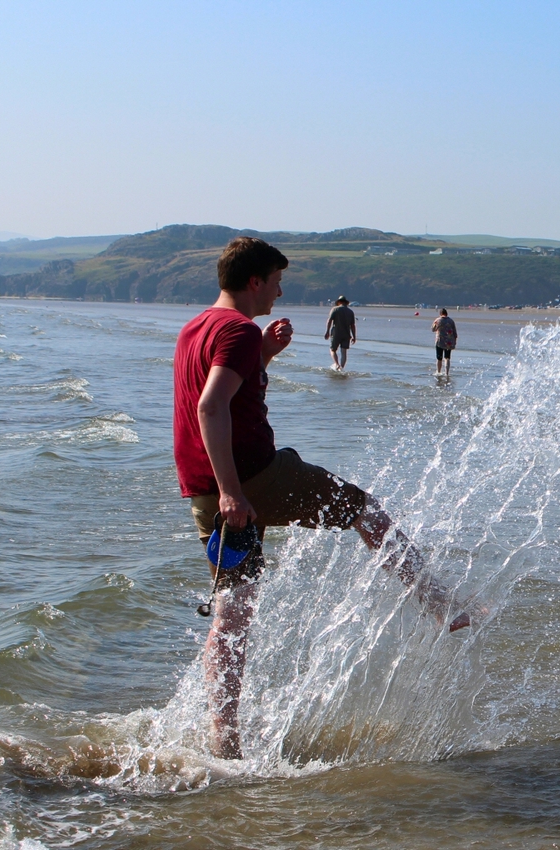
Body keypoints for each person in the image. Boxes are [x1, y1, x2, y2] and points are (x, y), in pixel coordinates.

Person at [173, 236, 467, 760]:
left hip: (201, 488)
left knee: (231, 613)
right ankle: (440, 605)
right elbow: (211, 407)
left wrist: (264, 355)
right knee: (362, 508)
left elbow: (218, 396)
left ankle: (225, 738)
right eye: (278, 281)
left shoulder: (197, 327)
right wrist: (234, 491)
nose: (281, 291)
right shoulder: (238, 329)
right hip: (252, 479)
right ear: (254, 281)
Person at [324, 296, 357, 370]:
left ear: (339, 302)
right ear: (346, 303)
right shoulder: (350, 312)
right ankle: (341, 367)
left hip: (336, 333)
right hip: (346, 334)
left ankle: (336, 364)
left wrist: (327, 331)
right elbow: (353, 326)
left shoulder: (335, 309)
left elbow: (329, 321)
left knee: (333, 350)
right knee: (344, 352)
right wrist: (354, 336)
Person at [431, 308, 457, 376]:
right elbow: (455, 332)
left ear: (440, 314)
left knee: (439, 358)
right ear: (446, 313)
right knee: (447, 358)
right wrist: (454, 341)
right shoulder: (451, 321)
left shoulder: (438, 320)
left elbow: (433, 329)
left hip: (440, 341)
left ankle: (438, 372)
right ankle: (447, 373)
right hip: (449, 341)